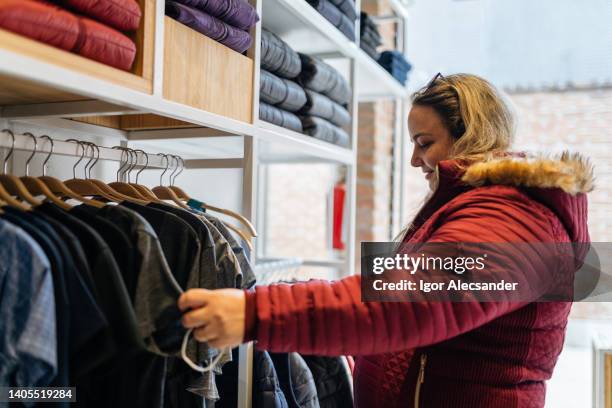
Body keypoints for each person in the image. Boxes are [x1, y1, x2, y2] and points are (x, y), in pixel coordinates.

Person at [177, 73, 593, 407]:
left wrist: (256, 314)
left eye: (424, 143)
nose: (415, 160)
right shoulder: (481, 210)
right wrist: (287, 294)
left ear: (472, 135)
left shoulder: (512, 218)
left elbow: (409, 303)